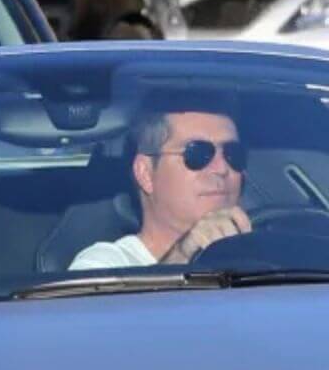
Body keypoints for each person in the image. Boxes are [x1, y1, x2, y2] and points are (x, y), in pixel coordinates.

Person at [70, 99, 251, 270]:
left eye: (232, 153)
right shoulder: (105, 264)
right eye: (197, 153)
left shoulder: (259, 257)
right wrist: (183, 255)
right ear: (145, 173)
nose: (222, 168)